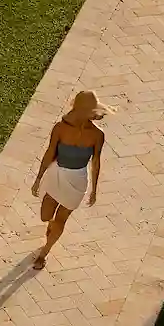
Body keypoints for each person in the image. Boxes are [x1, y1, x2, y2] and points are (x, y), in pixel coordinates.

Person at [31, 90, 107, 269]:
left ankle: (44, 253)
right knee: (45, 216)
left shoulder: (97, 135)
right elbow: (50, 152)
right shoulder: (60, 128)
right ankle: (51, 227)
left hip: (77, 180)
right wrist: (39, 177)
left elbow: (96, 161)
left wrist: (94, 189)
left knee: (61, 220)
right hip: (56, 174)